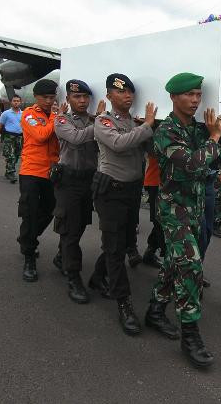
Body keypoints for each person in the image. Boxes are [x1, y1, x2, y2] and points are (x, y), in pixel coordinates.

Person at [147, 72, 221, 368]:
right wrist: (214, 138)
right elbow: (192, 164)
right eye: (189, 95)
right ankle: (190, 335)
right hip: (172, 208)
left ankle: (154, 310)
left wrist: (219, 135)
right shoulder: (166, 131)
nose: (195, 100)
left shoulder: (199, 130)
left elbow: (216, 157)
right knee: (190, 264)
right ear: (173, 97)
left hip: (195, 207)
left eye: (198, 95)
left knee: (173, 264)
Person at [89, 73, 155, 336]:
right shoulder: (103, 121)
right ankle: (124, 303)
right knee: (115, 247)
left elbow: (149, 149)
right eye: (121, 92)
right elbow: (117, 143)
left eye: (130, 92)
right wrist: (147, 125)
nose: (127, 96)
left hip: (132, 190)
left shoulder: (135, 122)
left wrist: (149, 127)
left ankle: (97, 278)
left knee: (124, 241)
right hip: (110, 190)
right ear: (109, 96)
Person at [52, 79, 105, 304]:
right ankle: (73, 277)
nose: (82, 101)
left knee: (81, 223)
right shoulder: (62, 119)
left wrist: (99, 120)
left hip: (88, 180)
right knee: (71, 229)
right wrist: (102, 122)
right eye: (77, 97)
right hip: (68, 180)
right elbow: (76, 138)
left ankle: (61, 255)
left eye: (85, 97)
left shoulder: (94, 120)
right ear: (69, 99)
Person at [17, 79, 60, 282]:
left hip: (51, 171)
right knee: (31, 213)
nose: (49, 101)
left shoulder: (57, 114)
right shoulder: (29, 114)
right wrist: (56, 117)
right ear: (36, 97)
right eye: (45, 98)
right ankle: (29, 257)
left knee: (51, 210)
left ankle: (27, 237)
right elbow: (42, 135)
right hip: (31, 171)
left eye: (52, 97)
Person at [142, 152, 165, 268]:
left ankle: (150, 252)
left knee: (161, 224)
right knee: (161, 224)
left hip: (168, 183)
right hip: (157, 181)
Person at [0, 95, 24, 183]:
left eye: (18, 101)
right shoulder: (6, 113)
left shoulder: (24, 114)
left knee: (16, 155)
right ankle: (12, 173)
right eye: (14, 101)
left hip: (20, 137)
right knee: (10, 155)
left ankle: (8, 171)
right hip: (9, 137)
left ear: (20, 102)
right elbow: (0, 126)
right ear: (11, 102)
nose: (16, 102)